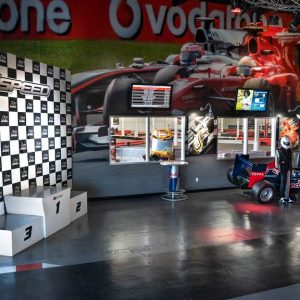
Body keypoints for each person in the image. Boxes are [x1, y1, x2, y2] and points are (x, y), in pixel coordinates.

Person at [275, 136, 294, 203]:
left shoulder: (289, 150)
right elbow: (276, 160)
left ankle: (287, 197)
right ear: (282, 142)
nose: (286, 144)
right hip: (282, 168)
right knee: (283, 183)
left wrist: (292, 169)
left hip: (288, 168)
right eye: (285, 143)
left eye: (287, 143)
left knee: (288, 184)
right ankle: (282, 197)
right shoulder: (278, 150)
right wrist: (277, 168)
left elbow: (291, 160)